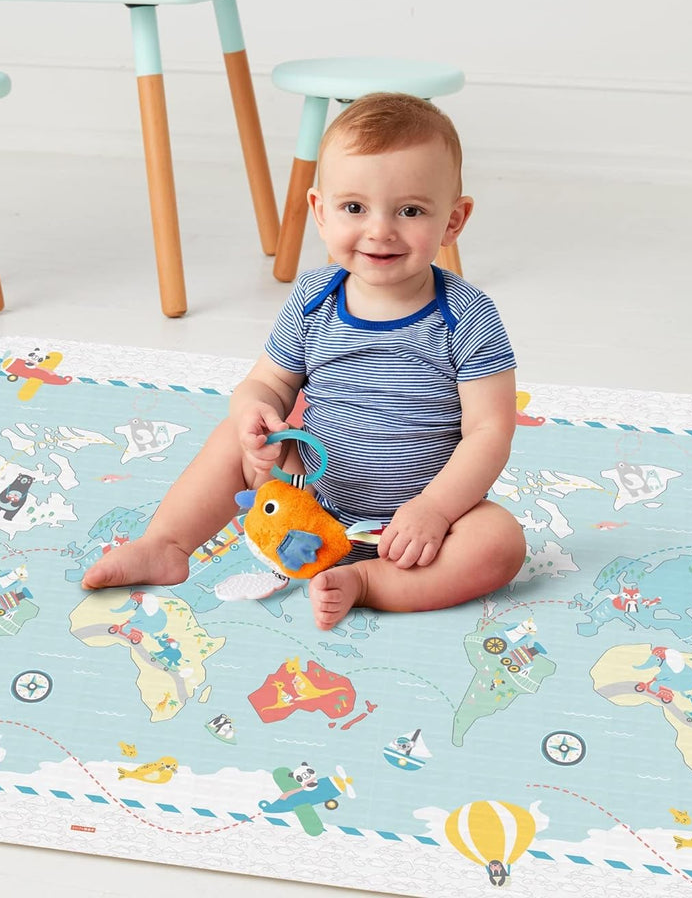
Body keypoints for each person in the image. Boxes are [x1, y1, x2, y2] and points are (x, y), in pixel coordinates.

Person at [83, 92, 526, 629]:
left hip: (420, 523)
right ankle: (167, 544)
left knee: (500, 541)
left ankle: (369, 582)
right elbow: (269, 382)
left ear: (454, 220)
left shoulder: (466, 315)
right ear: (320, 211)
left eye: (410, 210)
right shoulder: (315, 298)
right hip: (307, 501)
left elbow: (489, 432)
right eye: (354, 207)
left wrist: (433, 510)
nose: (380, 229)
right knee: (233, 437)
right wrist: (254, 412)